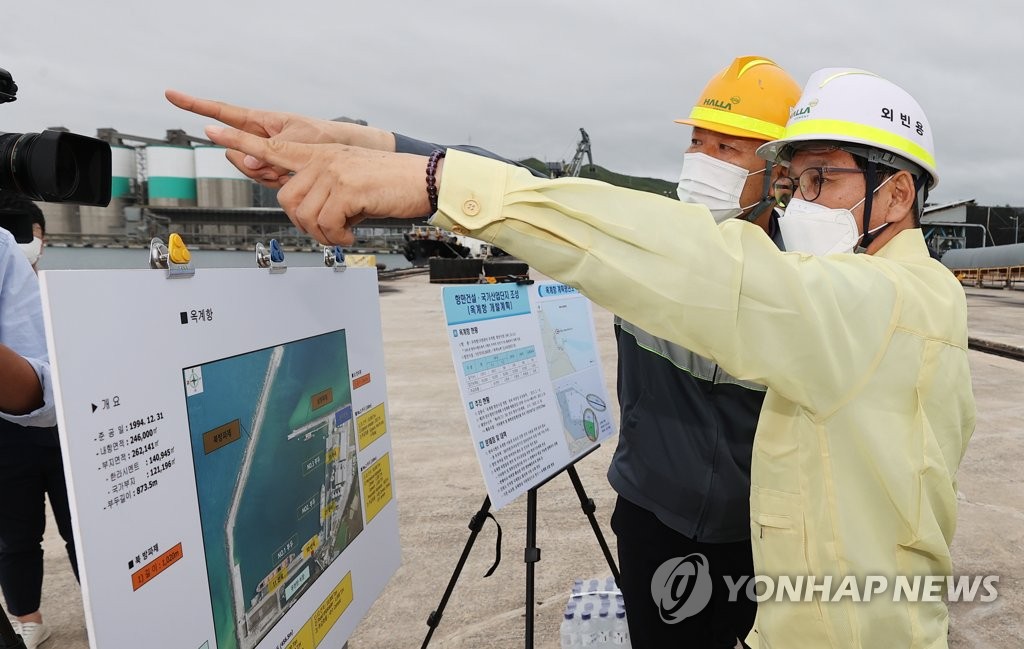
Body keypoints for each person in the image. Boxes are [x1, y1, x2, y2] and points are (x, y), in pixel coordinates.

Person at [169, 65, 975, 648]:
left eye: (817, 179)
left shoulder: (875, 304)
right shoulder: (820, 281)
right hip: (689, 537)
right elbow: (574, 204)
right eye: (793, 178)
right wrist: (372, 143)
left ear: (897, 196)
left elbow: (713, 274)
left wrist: (435, 180)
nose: (796, 198)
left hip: (767, 568)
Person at [0, 191, 73, 649]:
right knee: (16, 535)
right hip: (8, 438)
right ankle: (28, 617)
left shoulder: (57, 291)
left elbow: (42, 387)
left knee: (80, 531)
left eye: (35, 235)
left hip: (63, 427)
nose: (31, 243)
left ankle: (105, 606)